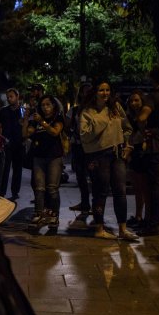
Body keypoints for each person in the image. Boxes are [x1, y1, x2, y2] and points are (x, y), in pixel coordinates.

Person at [79, 80, 138, 240]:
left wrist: (125, 143)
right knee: (100, 192)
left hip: (116, 154)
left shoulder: (116, 107)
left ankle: (122, 229)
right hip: (98, 156)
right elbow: (85, 136)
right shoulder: (87, 112)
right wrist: (104, 118)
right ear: (95, 92)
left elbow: (128, 128)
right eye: (101, 90)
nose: (105, 93)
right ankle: (99, 228)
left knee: (121, 191)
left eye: (107, 90)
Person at [23, 95, 65, 229]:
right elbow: (26, 134)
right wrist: (26, 118)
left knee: (52, 188)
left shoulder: (57, 118)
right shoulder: (36, 120)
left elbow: (55, 132)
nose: (45, 107)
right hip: (38, 157)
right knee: (39, 188)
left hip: (54, 157)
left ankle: (54, 215)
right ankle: (38, 214)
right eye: (43, 105)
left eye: (48, 105)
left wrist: (42, 122)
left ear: (53, 106)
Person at [137, 64, 159, 236]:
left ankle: (153, 224)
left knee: (156, 186)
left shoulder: (153, 97)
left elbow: (142, 116)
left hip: (157, 145)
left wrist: (145, 128)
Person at [67, 82, 93, 228]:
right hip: (78, 145)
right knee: (81, 175)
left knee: (95, 175)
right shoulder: (76, 110)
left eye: (90, 91)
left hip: (94, 148)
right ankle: (85, 203)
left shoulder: (97, 109)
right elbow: (68, 125)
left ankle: (95, 205)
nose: (87, 94)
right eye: (85, 91)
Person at [125, 89, 149, 229]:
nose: (134, 103)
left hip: (143, 151)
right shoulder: (129, 116)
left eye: (137, 100)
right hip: (133, 151)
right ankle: (139, 216)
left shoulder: (146, 116)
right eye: (132, 101)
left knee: (145, 188)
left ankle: (147, 218)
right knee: (137, 188)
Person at [0, 88, 25, 200]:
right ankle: (2, 192)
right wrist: (1, 139)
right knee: (5, 169)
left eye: (11, 96)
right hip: (7, 144)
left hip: (19, 144)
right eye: (8, 97)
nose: (9, 99)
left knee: (17, 169)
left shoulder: (23, 110)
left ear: (17, 97)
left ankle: (15, 192)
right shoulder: (3, 111)